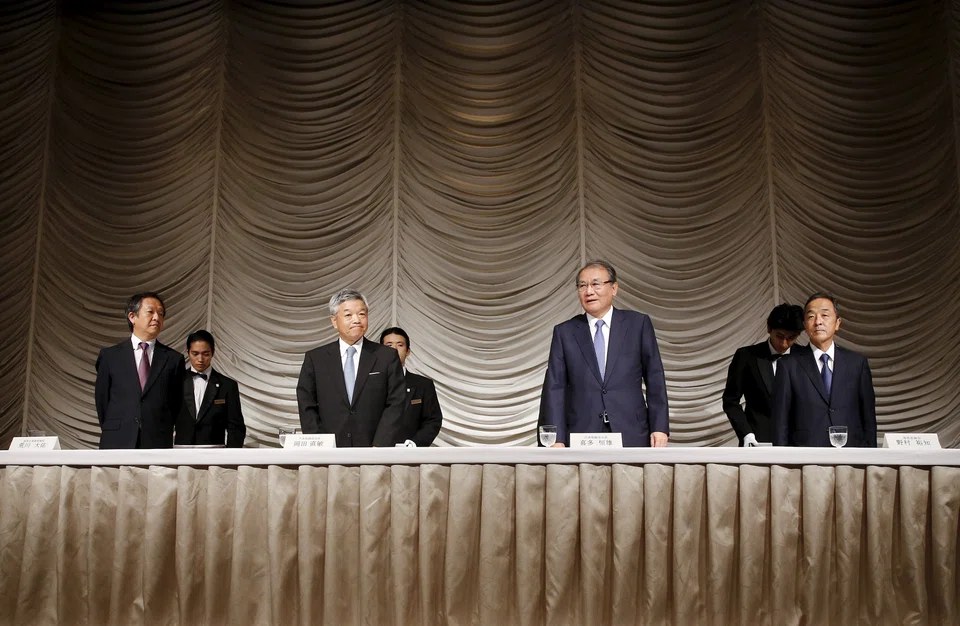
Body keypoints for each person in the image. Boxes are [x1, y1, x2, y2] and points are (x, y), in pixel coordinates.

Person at [539, 260, 669, 447]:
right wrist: (556, 439)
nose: (589, 291)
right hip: (582, 434)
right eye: (582, 286)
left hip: (631, 431)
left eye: (596, 284)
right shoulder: (565, 332)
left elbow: (655, 378)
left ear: (614, 288)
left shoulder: (637, 324)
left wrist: (659, 427)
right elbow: (554, 389)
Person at [297, 288, 406, 447]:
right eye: (348, 315)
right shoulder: (315, 359)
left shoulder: (386, 356)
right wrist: (319, 445)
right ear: (334, 321)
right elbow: (307, 404)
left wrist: (380, 445)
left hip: (374, 449)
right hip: (329, 451)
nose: (357, 320)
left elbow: (396, 403)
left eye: (362, 314)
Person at [772, 292, 877, 447]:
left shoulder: (857, 364)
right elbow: (780, 422)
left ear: (837, 323)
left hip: (851, 452)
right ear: (805, 325)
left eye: (825, 315)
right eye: (811, 316)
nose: (818, 322)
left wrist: (871, 456)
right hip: (806, 454)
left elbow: (868, 419)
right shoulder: (788, 365)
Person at [95, 292, 185, 449]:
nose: (156, 317)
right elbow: (102, 401)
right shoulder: (110, 356)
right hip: (117, 439)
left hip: (157, 440)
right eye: (150, 312)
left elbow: (176, 404)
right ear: (132, 317)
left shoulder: (174, 359)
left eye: (161, 314)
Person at [722, 303, 804, 446]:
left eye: (791, 338)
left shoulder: (806, 357)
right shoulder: (746, 356)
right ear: (768, 328)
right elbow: (730, 401)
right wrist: (746, 434)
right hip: (757, 442)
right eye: (779, 336)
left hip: (800, 443)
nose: (784, 343)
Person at [174, 330, 246, 448]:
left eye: (206, 354)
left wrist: (231, 456)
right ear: (187, 352)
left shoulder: (228, 385)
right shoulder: (175, 382)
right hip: (181, 451)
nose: (200, 359)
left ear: (213, 352)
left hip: (215, 453)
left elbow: (236, 428)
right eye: (195, 354)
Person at [379, 327, 443, 446]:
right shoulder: (369, 383)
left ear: (408, 351)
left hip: (411, 452)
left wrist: (415, 443)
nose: (394, 349)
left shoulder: (423, 385)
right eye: (389, 345)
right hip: (375, 452)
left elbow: (432, 420)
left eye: (400, 345)